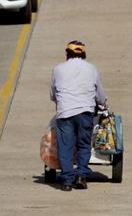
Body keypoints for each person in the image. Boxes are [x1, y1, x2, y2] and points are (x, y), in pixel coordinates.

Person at [50, 40, 107, 191]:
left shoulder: (58, 69)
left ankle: (67, 181)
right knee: (83, 144)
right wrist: (103, 103)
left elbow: (53, 94)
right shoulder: (92, 68)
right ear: (83, 54)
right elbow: (99, 93)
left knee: (66, 147)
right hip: (85, 111)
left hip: (65, 112)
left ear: (67, 54)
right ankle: (81, 175)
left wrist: (60, 101)